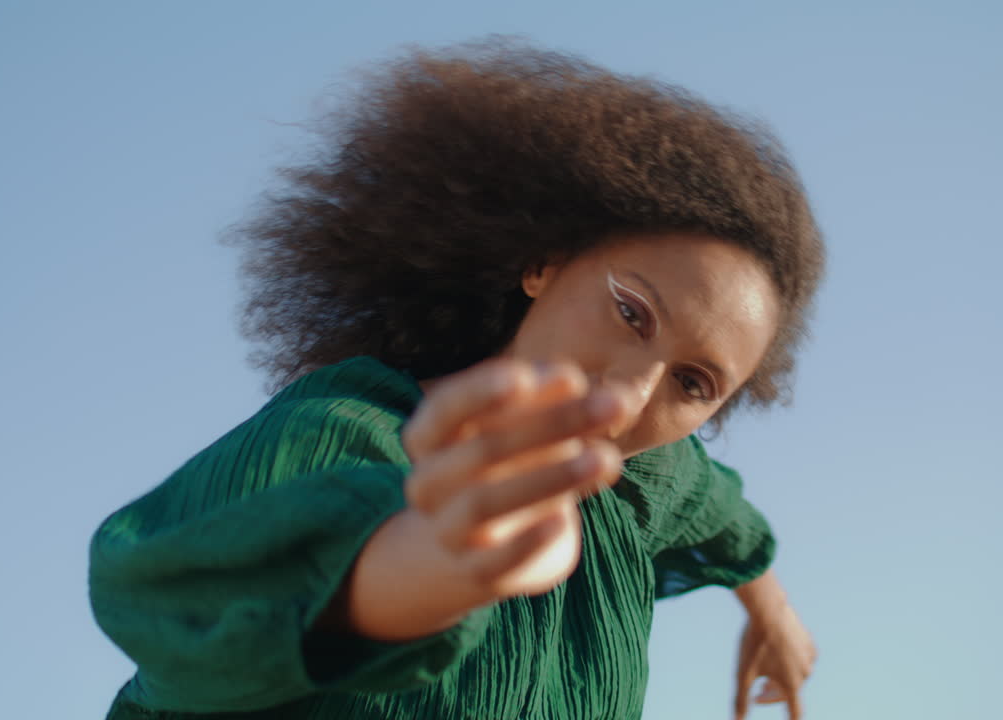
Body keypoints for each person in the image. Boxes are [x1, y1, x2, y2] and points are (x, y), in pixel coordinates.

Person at [90, 39, 824, 720]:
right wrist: (433, 567)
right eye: (631, 312)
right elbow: (180, 611)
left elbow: (723, 511)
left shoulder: (642, 481)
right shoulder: (342, 432)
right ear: (546, 263)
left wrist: (774, 613)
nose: (631, 395)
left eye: (694, 384)